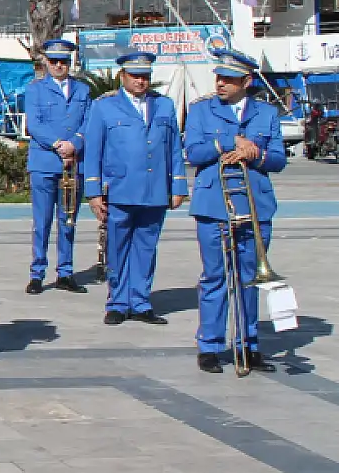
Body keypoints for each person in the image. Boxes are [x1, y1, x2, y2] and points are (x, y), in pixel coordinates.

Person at [183, 49, 286, 374]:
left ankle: (248, 343)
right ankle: (210, 346)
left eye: (229, 79)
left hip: (255, 205)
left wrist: (255, 153)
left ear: (247, 81)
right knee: (214, 277)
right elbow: (193, 153)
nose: (221, 83)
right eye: (219, 77)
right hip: (214, 205)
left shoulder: (266, 113)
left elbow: (279, 160)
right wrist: (230, 141)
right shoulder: (201, 111)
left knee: (250, 278)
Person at [83, 52, 187, 327]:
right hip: (120, 189)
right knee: (117, 247)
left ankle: (140, 301)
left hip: (154, 190)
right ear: (122, 76)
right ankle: (117, 301)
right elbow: (93, 152)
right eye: (135, 76)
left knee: (146, 247)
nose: (141, 81)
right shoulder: (104, 107)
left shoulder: (163, 105)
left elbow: (174, 147)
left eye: (145, 76)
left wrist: (178, 185)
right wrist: (93, 193)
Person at [25, 38, 91, 295]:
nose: (59, 66)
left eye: (63, 61)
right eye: (54, 61)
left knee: (69, 220)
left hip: (72, 164)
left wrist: (75, 144)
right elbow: (35, 124)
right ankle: (37, 273)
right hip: (44, 162)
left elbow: (88, 121)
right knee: (41, 222)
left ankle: (66, 272)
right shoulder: (35, 90)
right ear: (46, 63)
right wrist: (57, 144)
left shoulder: (82, 91)